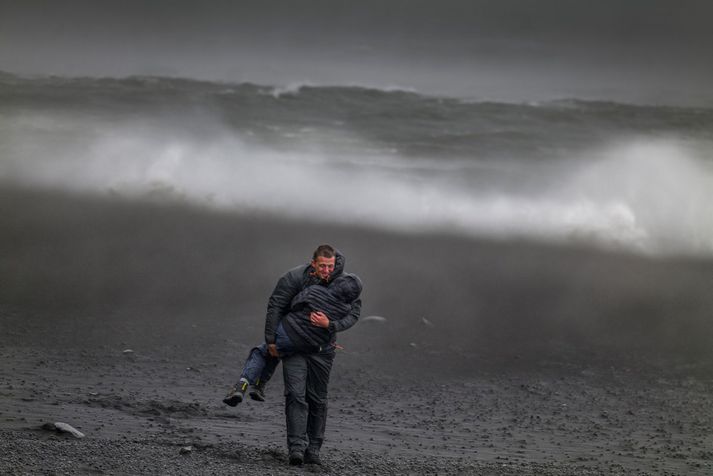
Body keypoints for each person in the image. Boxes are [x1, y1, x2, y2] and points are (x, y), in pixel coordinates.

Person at [223, 244, 362, 466]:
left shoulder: (345, 283)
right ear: (313, 263)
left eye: (331, 266)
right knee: (295, 395)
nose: (327, 271)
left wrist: (331, 324)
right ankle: (296, 448)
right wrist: (271, 340)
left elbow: (354, 313)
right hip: (294, 346)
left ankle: (313, 450)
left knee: (318, 399)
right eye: (323, 266)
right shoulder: (294, 277)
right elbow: (276, 306)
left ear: (335, 264)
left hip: (322, 351)